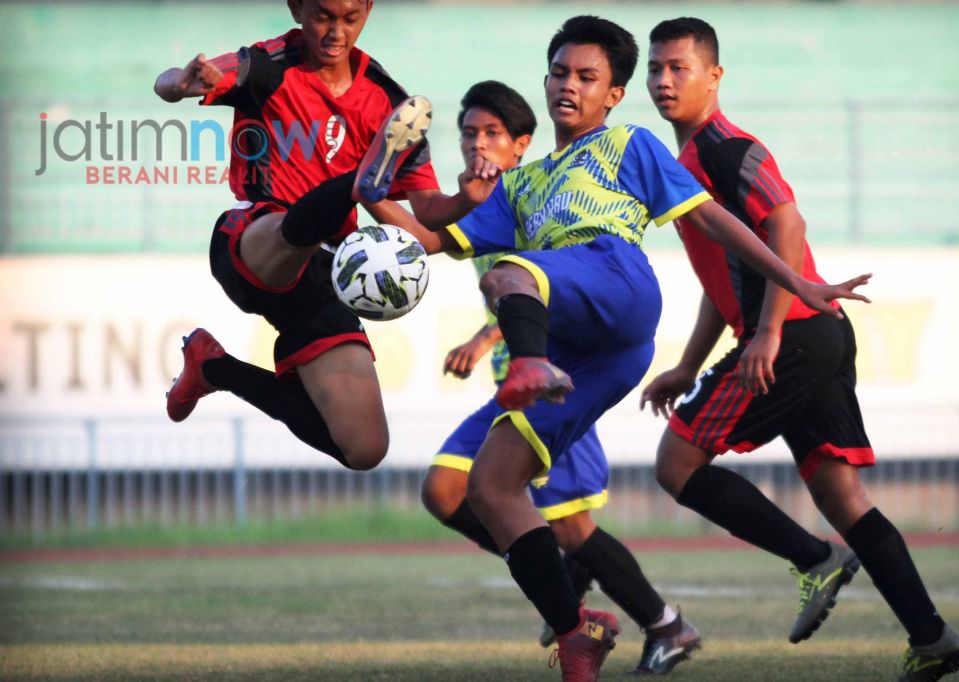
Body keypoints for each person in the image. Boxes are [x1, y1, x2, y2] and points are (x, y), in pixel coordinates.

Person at [418, 15, 870, 681]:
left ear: (612, 95)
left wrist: (793, 276)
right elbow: (428, 237)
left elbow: (714, 217)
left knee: (507, 276)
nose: (568, 85)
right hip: (587, 353)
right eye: (560, 72)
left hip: (620, 290)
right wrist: (369, 189)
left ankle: (531, 369)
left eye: (586, 77)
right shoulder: (519, 184)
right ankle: (579, 633)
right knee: (487, 487)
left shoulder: (629, 144)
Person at [640, 17, 959, 681]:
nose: (664, 80)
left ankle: (813, 560)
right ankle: (932, 636)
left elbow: (788, 221)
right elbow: (725, 278)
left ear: (715, 76)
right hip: (807, 332)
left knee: (676, 463)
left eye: (679, 67)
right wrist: (686, 361)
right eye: (656, 68)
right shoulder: (688, 163)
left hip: (791, 334)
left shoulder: (727, 148)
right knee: (843, 498)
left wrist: (765, 332)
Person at [421, 80, 700, 675]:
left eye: (492, 133)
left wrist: (485, 336)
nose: (478, 142)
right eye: (468, 132)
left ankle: (661, 623)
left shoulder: (542, 191)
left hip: (558, 375)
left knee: (573, 526)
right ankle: (558, 584)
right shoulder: (491, 200)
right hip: (515, 379)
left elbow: (547, 281)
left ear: (521, 144)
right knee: (445, 491)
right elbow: (513, 280)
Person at [154, 0, 497, 471]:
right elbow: (174, 81)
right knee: (300, 225)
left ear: (368, 11)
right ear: (296, 8)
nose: (336, 31)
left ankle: (212, 367)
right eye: (323, 16)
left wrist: (464, 202)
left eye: (350, 18)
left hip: (327, 274)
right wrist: (178, 83)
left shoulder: (385, 100)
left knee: (364, 448)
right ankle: (358, 184)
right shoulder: (268, 65)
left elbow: (427, 220)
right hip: (254, 243)